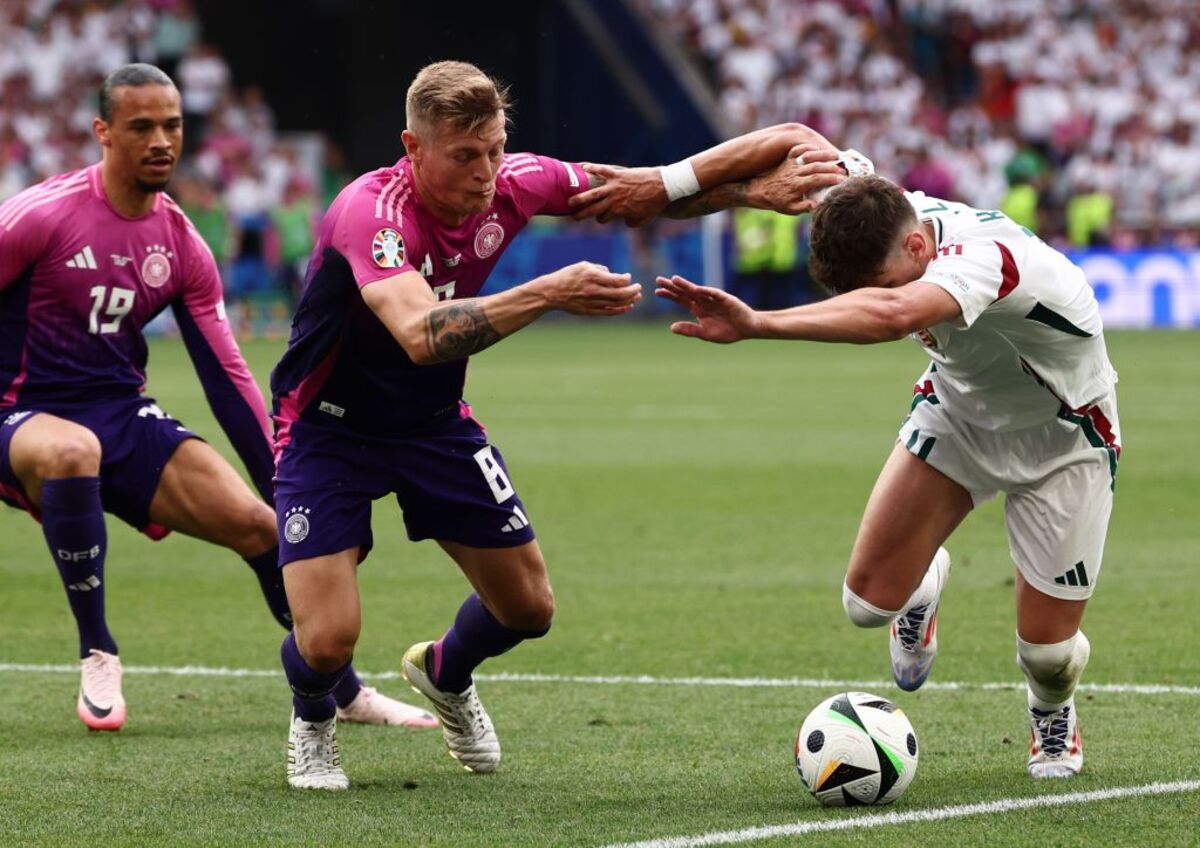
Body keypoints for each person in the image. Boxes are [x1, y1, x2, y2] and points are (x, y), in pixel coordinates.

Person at [571, 125, 1119, 780]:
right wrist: (664, 183)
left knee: (1048, 655)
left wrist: (758, 324)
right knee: (866, 604)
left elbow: (890, 316)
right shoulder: (868, 201)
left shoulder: (986, 258)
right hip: (960, 414)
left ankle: (1049, 709)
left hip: (1065, 436)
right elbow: (792, 139)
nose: (876, 295)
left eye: (882, 283)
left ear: (918, 246)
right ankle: (922, 584)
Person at [0, 64, 434, 733]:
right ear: (102, 132)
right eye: (140, 126)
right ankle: (98, 651)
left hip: (120, 410)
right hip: (17, 411)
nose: (160, 140)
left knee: (261, 527)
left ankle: (342, 692)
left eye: (171, 125)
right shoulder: (41, 215)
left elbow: (228, 381)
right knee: (69, 449)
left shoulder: (179, 243)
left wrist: (291, 492)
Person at [270, 60, 641, 790]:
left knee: (529, 609)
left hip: (433, 424)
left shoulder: (514, 181)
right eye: (465, 155)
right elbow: (419, 333)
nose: (487, 171)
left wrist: (760, 180)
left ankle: (445, 670)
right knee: (327, 638)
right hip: (328, 428)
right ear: (413, 148)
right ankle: (313, 717)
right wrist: (548, 292)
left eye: (496, 149)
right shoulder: (369, 211)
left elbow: (641, 187)